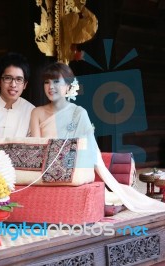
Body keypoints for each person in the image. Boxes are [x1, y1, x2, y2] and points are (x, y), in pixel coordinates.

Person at [28, 62, 165, 213]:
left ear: (68, 86)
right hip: (45, 167)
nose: (50, 87)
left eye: (56, 82)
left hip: (71, 166)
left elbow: (86, 149)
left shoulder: (79, 113)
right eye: (46, 82)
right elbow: (36, 147)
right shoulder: (37, 112)